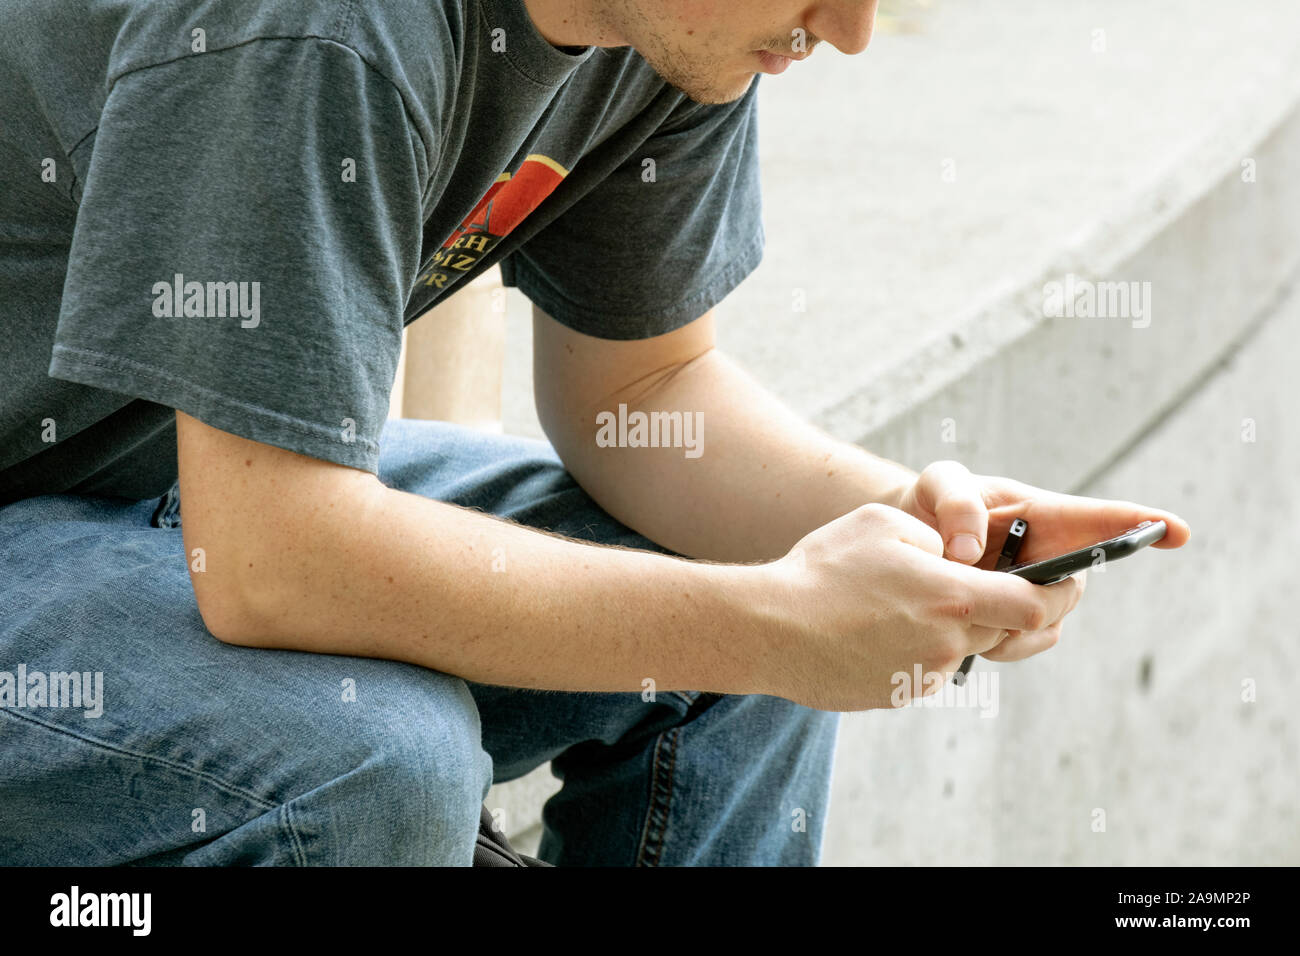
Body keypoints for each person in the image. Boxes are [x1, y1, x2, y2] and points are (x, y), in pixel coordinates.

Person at [0, 0, 1189, 866]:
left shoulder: (678, 35)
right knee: (373, 768)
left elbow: (651, 395)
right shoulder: (326, 28)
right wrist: (775, 625)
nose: (854, 27)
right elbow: (269, 563)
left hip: (165, 484)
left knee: (757, 618)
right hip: (86, 522)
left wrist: (931, 536)